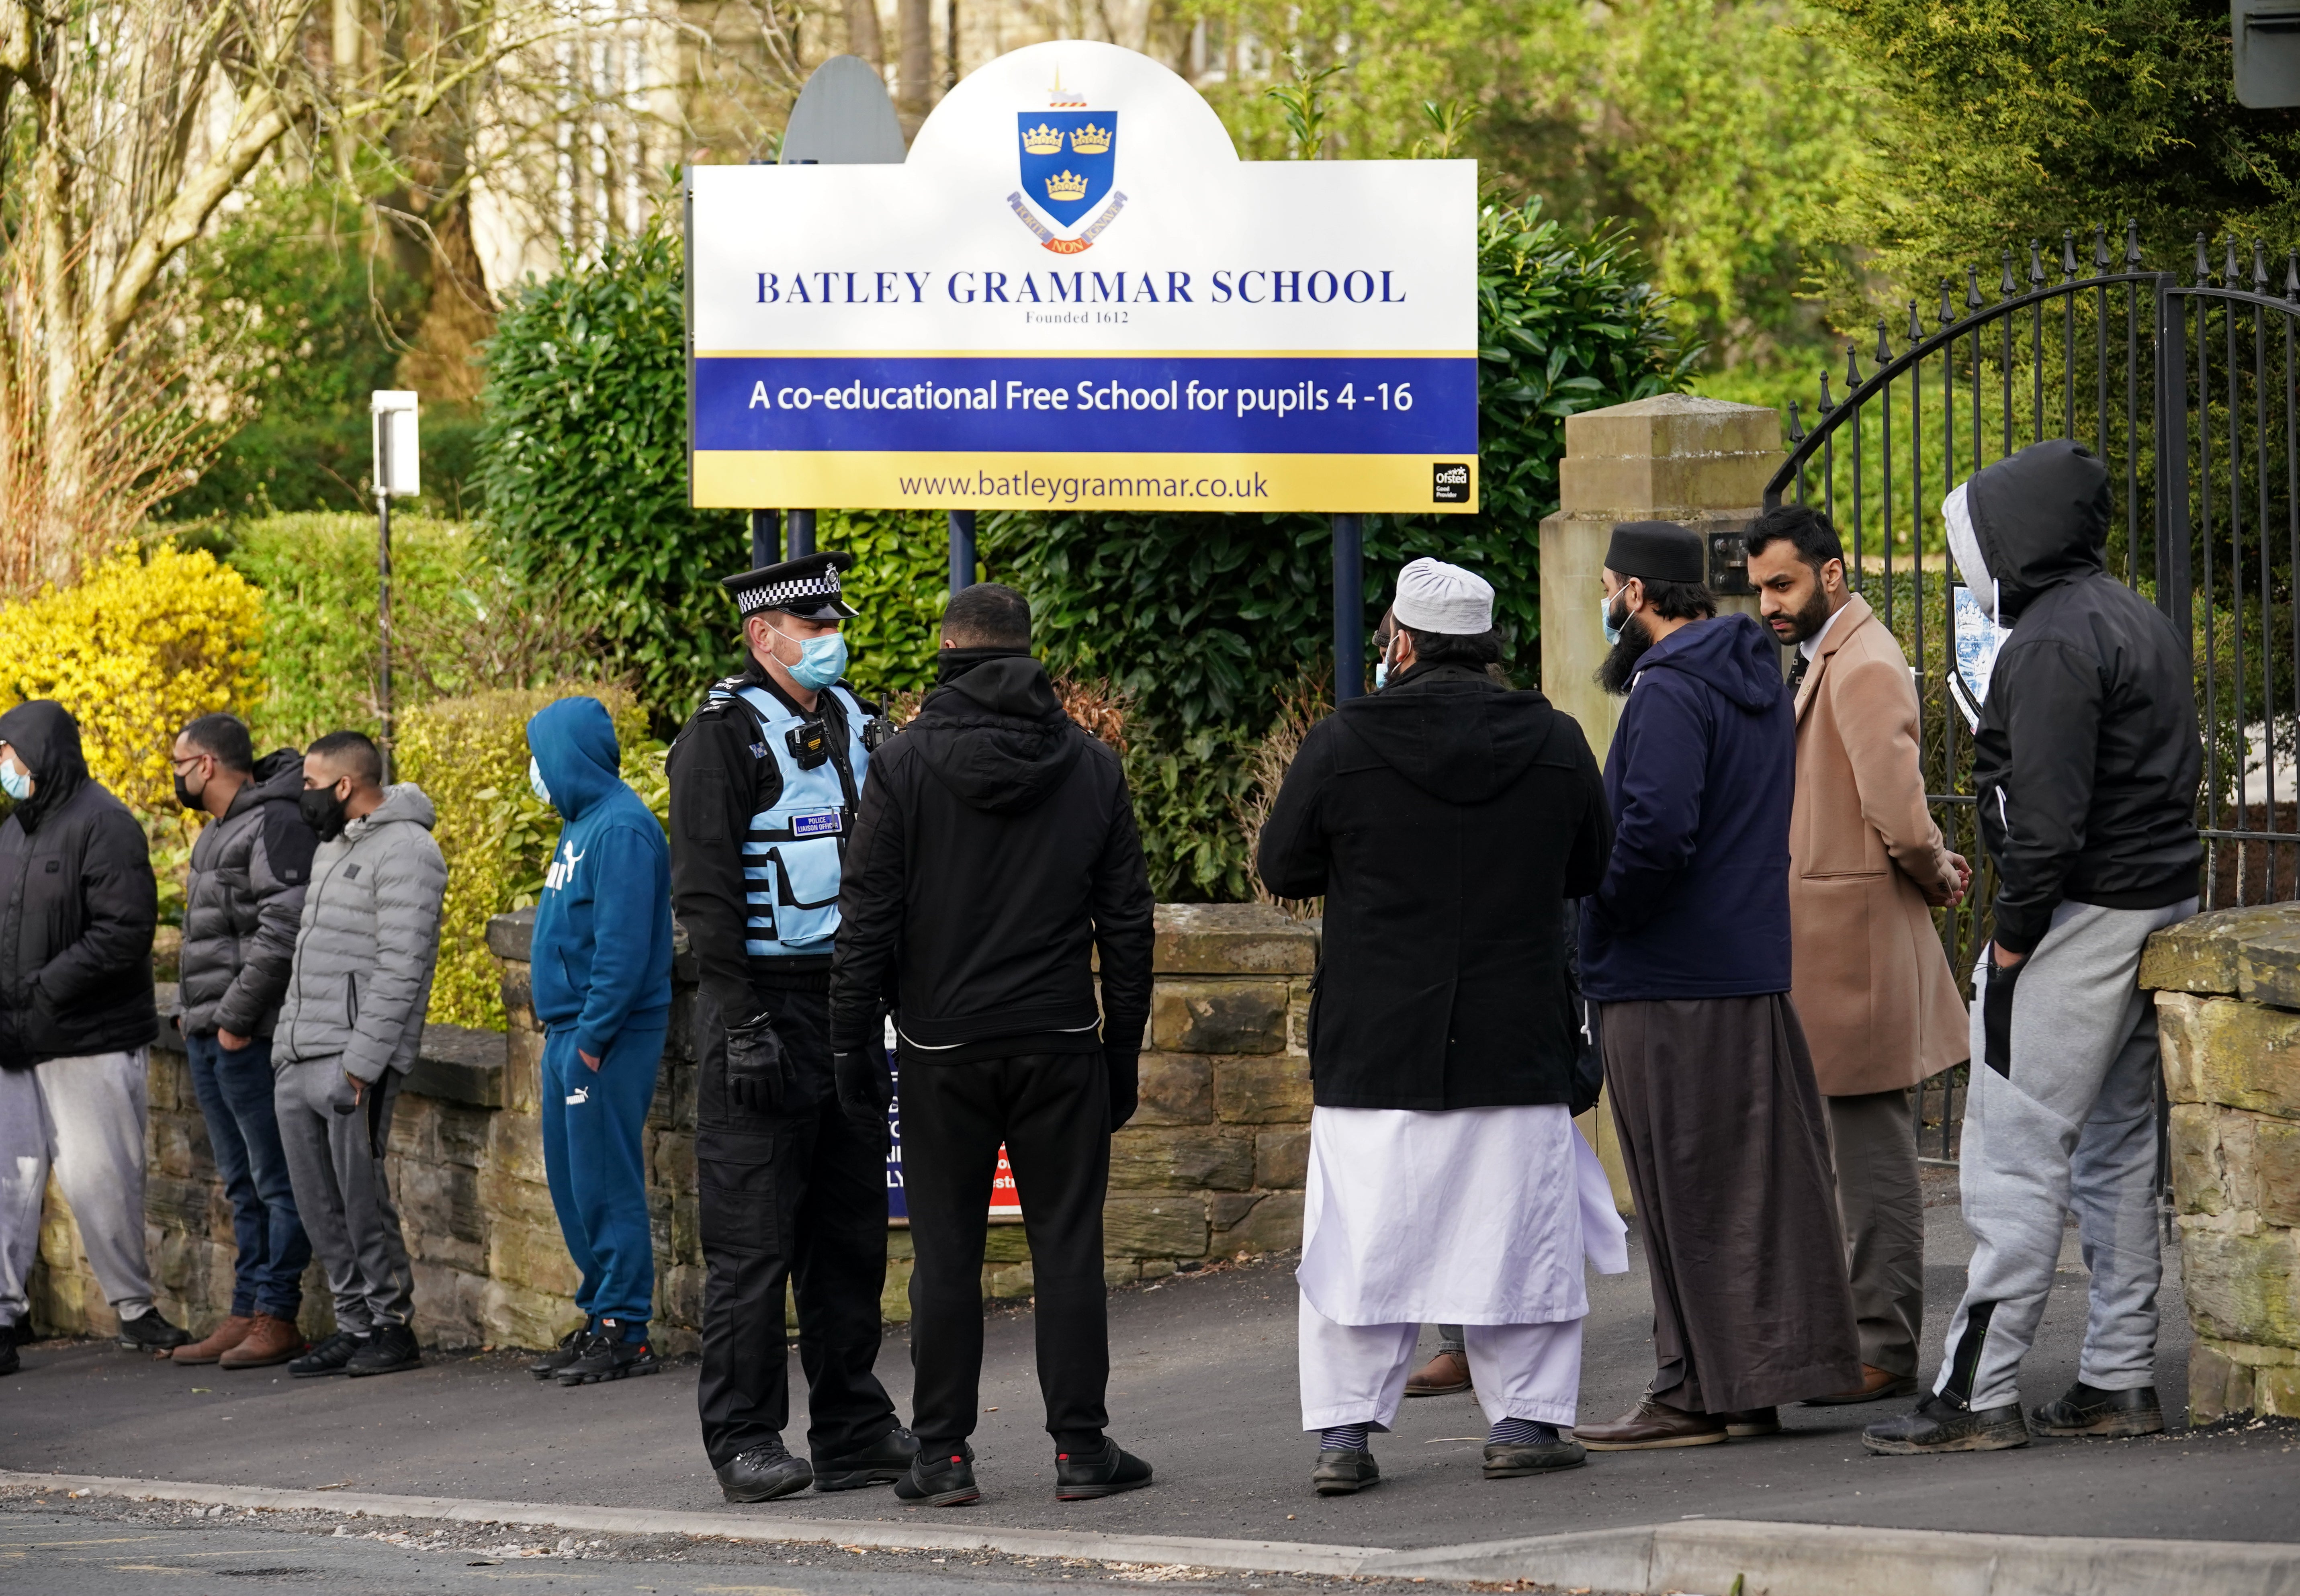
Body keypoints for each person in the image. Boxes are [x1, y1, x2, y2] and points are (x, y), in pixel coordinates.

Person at [1256, 560, 1624, 1496]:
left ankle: (1344, 1435)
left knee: (1358, 1241)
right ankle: (1528, 1420)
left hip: (1377, 1038)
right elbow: (1594, 862)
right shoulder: (1554, 740)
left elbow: (1285, 864)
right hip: (1517, 1032)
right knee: (1521, 1236)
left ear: (1404, 644)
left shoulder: (1345, 742)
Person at [1866, 440, 2202, 1455]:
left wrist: (2012, 945)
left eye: (1975, 539)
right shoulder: (2133, 617)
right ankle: (2117, 1377)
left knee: (2011, 1161)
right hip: (2158, 904)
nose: (1970, 561)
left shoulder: (2050, 642)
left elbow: (2045, 823)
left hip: (2077, 921)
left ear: (2016, 536)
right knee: (2115, 1153)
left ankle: (1978, 1396)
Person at [829, 581, 1156, 1508]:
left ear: (948, 654)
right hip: (1059, 1042)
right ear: (1026, 651)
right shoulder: (1091, 766)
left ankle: (942, 1457)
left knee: (945, 1254)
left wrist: (852, 1051)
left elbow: (866, 925)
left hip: (941, 1047)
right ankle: (1081, 1451)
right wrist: (1119, 1052)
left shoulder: (902, 766)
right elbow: (1127, 926)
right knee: (1067, 1247)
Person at [1573, 521, 1861, 1450]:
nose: (1608, 601)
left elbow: (1654, 835)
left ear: (1640, 596)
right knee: (1753, 1190)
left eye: (1612, 586)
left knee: (1682, 1189)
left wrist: (1601, 916)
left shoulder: (1666, 693)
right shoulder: (1754, 683)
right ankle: (1753, 1382)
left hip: (1666, 979)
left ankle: (1693, 1391)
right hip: (1746, 968)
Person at [668, 551, 915, 1502]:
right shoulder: (722, 737)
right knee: (752, 1247)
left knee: (850, 1236)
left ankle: (853, 1427)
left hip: (849, 1011)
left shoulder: (857, 721)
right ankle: (743, 1440)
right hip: (762, 1010)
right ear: (763, 636)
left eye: (832, 626)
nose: (830, 641)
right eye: (813, 630)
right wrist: (739, 1026)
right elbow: (707, 894)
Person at [1745, 508, 1970, 1406]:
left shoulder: (1866, 662)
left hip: (1859, 951)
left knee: (1873, 1158)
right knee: (1850, 1155)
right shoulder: (1836, 657)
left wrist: (1935, 865)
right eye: (1761, 587)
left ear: (1833, 575)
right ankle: (1863, 1336)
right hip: (1835, 950)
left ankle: (1884, 1347)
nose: (1769, 603)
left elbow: (1898, 808)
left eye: (1784, 584)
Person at [0, 701, 187, 1369]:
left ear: (40, 754)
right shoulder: (14, 831)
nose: (4, 768)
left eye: (9, 754)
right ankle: (3, 1317)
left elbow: (122, 933)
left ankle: (134, 1310)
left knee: (101, 1178)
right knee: (7, 1182)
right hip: (15, 1041)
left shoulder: (105, 824)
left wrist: (38, 989)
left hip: (89, 1038)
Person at [272, 730, 447, 1381]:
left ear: (345, 785)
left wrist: (362, 1064)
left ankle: (391, 1325)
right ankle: (354, 1323)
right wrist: (284, 1052)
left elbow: (402, 967)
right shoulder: (334, 846)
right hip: (300, 1054)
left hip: (352, 1061)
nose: (303, 798)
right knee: (319, 1202)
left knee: (361, 1198)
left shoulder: (409, 850)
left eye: (312, 785)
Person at [522, 696, 674, 1388]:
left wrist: (591, 1038)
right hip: (572, 1033)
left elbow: (622, 948)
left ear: (567, 755)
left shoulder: (622, 829)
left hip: (602, 1039)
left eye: (540, 755)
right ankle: (602, 1314)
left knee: (606, 1182)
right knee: (575, 1184)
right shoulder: (583, 823)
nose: (536, 771)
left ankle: (626, 1328)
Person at [168, 714, 317, 1370]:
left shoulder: (272, 823)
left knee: (275, 1181)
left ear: (206, 766)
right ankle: (246, 1309)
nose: (173, 774)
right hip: (209, 1033)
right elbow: (212, 939)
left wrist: (233, 1019)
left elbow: (281, 931)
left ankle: (276, 1315)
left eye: (178, 761)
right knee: (242, 1185)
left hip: (244, 1037)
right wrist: (190, 1015)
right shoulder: (216, 831)